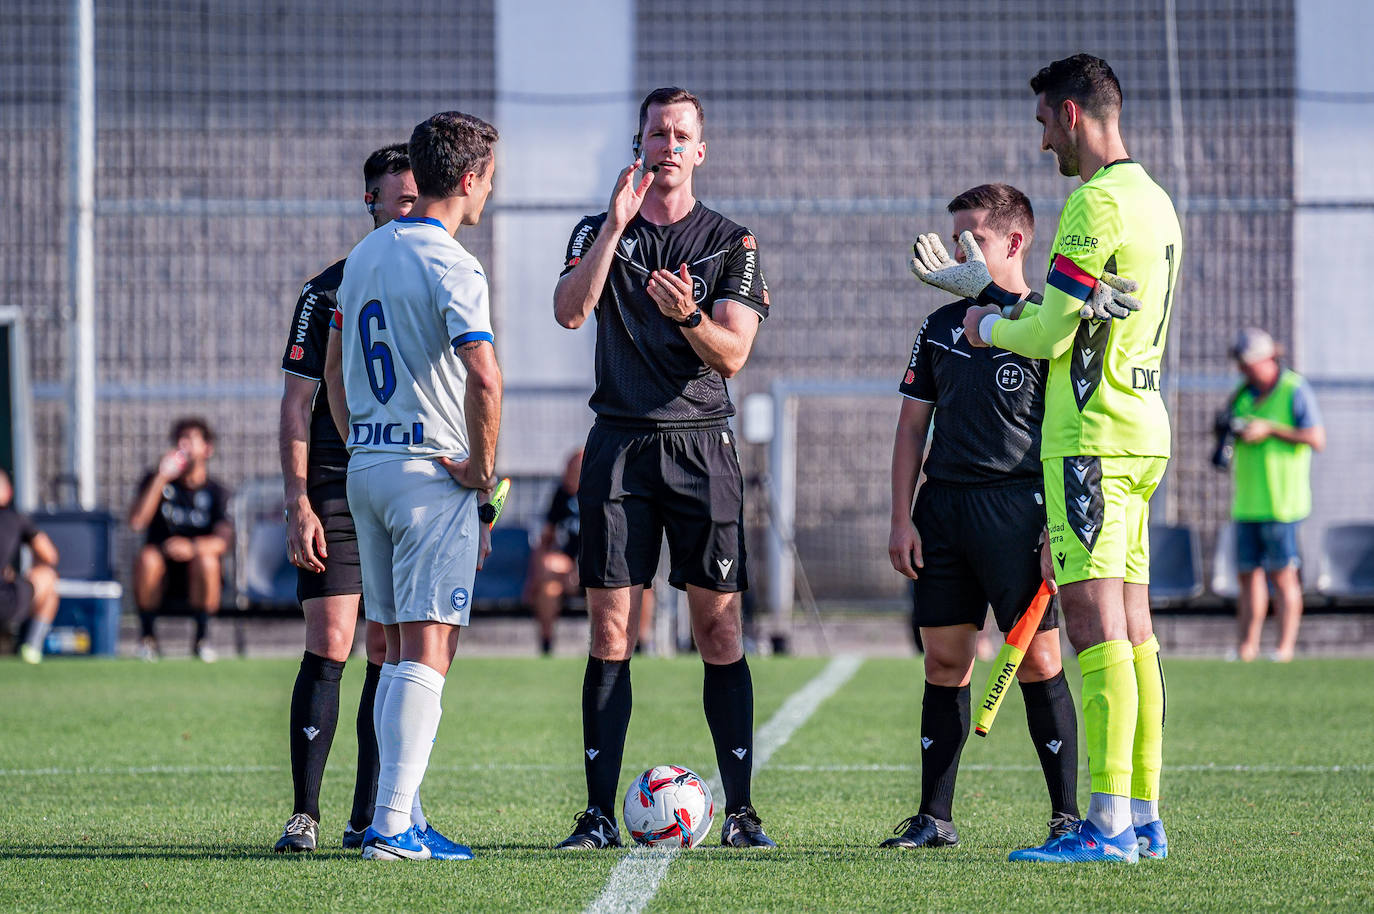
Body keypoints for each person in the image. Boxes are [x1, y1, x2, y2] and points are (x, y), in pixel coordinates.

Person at [915, 53, 1181, 863]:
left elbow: (1047, 333)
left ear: (1071, 114)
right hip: (1141, 428)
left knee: (1098, 629)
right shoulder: (1155, 202)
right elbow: (1082, 312)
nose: (1042, 144)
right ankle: (1142, 815)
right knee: (1134, 631)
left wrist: (981, 321)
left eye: (1042, 124)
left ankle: (1104, 830)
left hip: (1090, 440)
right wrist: (1001, 295)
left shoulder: (1093, 204)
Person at [552, 87, 775, 849]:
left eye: (683, 134)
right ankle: (595, 815)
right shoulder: (596, 228)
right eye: (658, 133)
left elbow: (735, 354)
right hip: (617, 445)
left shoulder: (731, 242)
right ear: (639, 143)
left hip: (701, 446)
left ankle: (741, 813)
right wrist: (615, 225)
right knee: (612, 630)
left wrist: (687, 315)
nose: (670, 144)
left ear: (701, 150)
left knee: (719, 627)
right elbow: (570, 311)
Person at [324, 110, 502, 862]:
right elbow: (484, 378)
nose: (490, 192)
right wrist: (481, 473)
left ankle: (401, 817)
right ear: (467, 179)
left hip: (367, 466)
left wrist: (362, 441)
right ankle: (393, 827)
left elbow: (334, 370)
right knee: (428, 650)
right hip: (430, 474)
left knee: (396, 647)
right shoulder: (453, 263)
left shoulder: (363, 254)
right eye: (490, 179)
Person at [885, 184, 1080, 850]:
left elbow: (1070, 432)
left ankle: (1067, 816)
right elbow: (912, 428)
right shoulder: (939, 326)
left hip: (1018, 512)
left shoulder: (1048, 321)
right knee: (944, 663)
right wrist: (901, 518)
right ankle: (934, 819)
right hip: (942, 511)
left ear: (1015, 242)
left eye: (972, 241)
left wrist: (1060, 525)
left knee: (1040, 660)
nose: (956, 255)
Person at [272, 144, 416, 854]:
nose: (413, 210)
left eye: (423, 198)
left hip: (406, 481)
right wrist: (298, 498)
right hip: (335, 483)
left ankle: (371, 816)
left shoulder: (438, 281)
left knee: (388, 651)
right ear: (373, 203)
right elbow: (297, 404)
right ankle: (305, 814)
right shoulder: (325, 289)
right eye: (403, 199)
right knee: (330, 640)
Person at [1221, 327, 1325, 663]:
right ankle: (1246, 648)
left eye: (1250, 362)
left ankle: (1284, 648)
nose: (1246, 369)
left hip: (1283, 503)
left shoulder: (1295, 389)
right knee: (1248, 575)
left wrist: (1270, 429)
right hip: (1247, 502)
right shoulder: (1242, 395)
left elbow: (1316, 438)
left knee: (1282, 574)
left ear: (1270, 357)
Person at [526, 448, 655, 656]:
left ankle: (642, 643)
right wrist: (534, 578)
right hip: (569, 569)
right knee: (549, 580)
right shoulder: (561, 495)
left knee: (644, 586)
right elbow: (545, 540)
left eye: (574, 470)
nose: (568, 475)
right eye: (568, 470)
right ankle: (547, 644)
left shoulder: (608, 493)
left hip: (606, 565)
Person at [129, 418, 233, 662]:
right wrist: (160, 478)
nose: (182, 445)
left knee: (207, 560)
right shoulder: (155, 481)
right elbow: (136, 522)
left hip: (197, 574)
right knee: (147, 558)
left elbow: (223, 542)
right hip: (160, 574)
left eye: (190, 439)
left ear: (207, 449)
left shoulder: (217, 492)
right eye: (179, 439)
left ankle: (202, 641)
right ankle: (148, 640)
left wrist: (192, 547)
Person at [0, 469, 60, 665]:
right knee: (48, 577)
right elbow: (50, 556)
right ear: (9, 492)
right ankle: (31, 647)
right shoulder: (16, 518)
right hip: (6, 601)